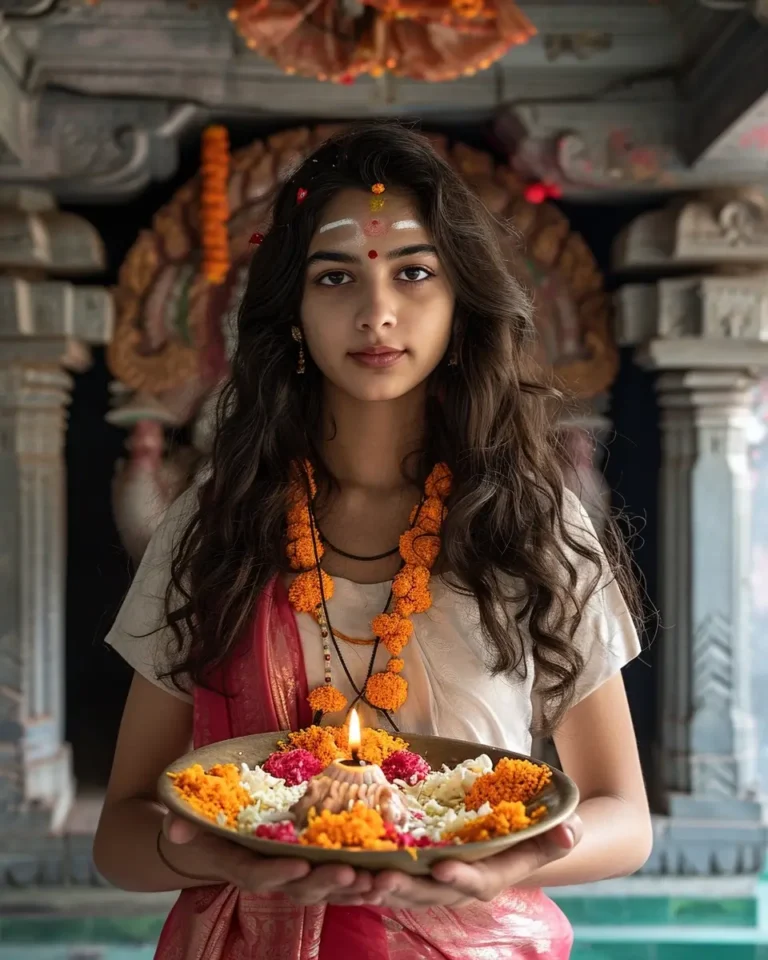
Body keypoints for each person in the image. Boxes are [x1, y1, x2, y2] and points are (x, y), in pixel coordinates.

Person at [94, 123, 652, 960]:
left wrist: (501, 866)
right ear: (293, 313)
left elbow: (626, 818)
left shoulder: (531, 523)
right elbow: (121, 837)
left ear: (462, 306)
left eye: (415, 272)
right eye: (335, 275)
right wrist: (204, 853)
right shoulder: (218, 524)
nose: (378, 310)